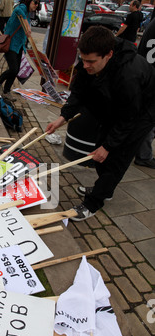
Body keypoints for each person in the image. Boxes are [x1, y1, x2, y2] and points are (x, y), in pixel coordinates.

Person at [46, 25, 155, 221]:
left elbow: (128, 118)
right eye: (83, 59)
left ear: (109, 54)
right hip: (116, 107)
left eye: (91, 62)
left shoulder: (129, 74)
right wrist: (62, 118)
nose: (86, 65)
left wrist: (109, 146)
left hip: (142, 113)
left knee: (116, 157)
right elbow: (79, 92)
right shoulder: (89, 62)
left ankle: (93, 203)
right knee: (99, 150)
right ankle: (105, 188)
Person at [0, 0, 40, 101]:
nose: (36, 5)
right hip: (10, 44)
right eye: (35, 2)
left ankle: (6, 90)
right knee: (14, 69)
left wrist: (25, 45)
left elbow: (25, 32)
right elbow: (18, 11)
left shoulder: (28, 13)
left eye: (38, 4)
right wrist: (25, 22)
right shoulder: (22, 8)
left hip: (19, 46)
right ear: (29, 0)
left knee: (16, 70)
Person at [134, 17, 155, 168]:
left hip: (145, 76)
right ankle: (143, 155)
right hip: (151, 82)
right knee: (148, 121)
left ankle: (142, 153)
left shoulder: (152, 24)